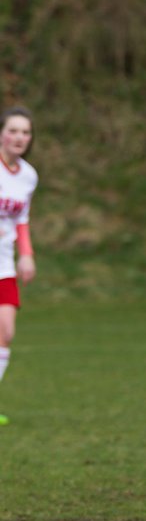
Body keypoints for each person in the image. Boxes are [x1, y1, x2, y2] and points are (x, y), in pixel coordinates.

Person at [0, 106, 39, 428]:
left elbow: (20, 219)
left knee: (6, 332)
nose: (19, 137)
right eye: (13, 130)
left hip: (3, 264)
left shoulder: (28, 175)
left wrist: (26, 254)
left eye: (25, 132)